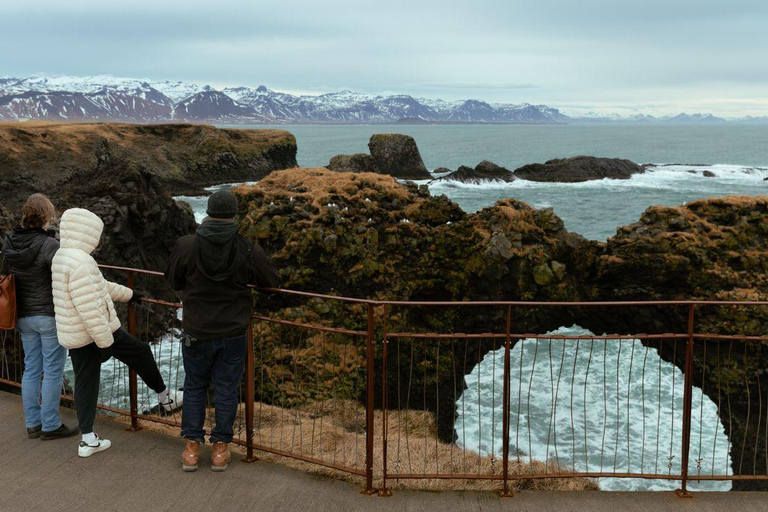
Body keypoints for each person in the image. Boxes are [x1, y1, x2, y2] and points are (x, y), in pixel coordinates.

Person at [51, 207, 182, 457]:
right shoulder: (82, 262)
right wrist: (105, 343)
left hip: (75, 333)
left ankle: (88, 439)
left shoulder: (63, 256)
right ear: (88, 234)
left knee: (86, 383)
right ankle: (166, 398)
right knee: (141, 352)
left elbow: (99, 287)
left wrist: (130, 294)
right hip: (94, 333)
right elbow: (90, 308)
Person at [165, 190, 280, 472]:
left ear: (208, 213)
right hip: (233, 332)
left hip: (196, 330)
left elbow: (173, 279)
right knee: (226, 389)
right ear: (233, 215)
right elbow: (272, 282)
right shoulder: (247, 248)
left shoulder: (187, 245)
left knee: (194, 387)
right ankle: (220, 449)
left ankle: (191, 449)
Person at [2, 194, 79, 440]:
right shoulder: (50, 246)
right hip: (47, 315)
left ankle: (33, 424)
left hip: (23, 316)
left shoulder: (9, 242)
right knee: (53, 371)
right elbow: (65, 275)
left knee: (31, 369)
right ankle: (50, 425)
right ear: (46, 217)